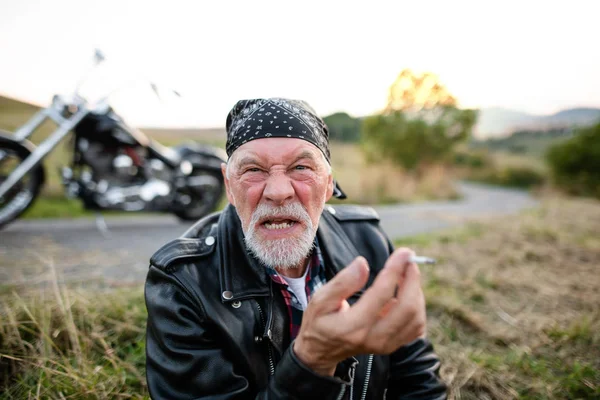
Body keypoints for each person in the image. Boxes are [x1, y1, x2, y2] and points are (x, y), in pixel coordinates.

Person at [144, 98, 448, 399]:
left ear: (328, 184)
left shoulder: (367, 240)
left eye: (301, 167)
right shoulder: (183, 281)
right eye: (253, 170)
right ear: (228, 186)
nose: (278, 192)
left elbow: (417, 380)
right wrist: (313, 360)